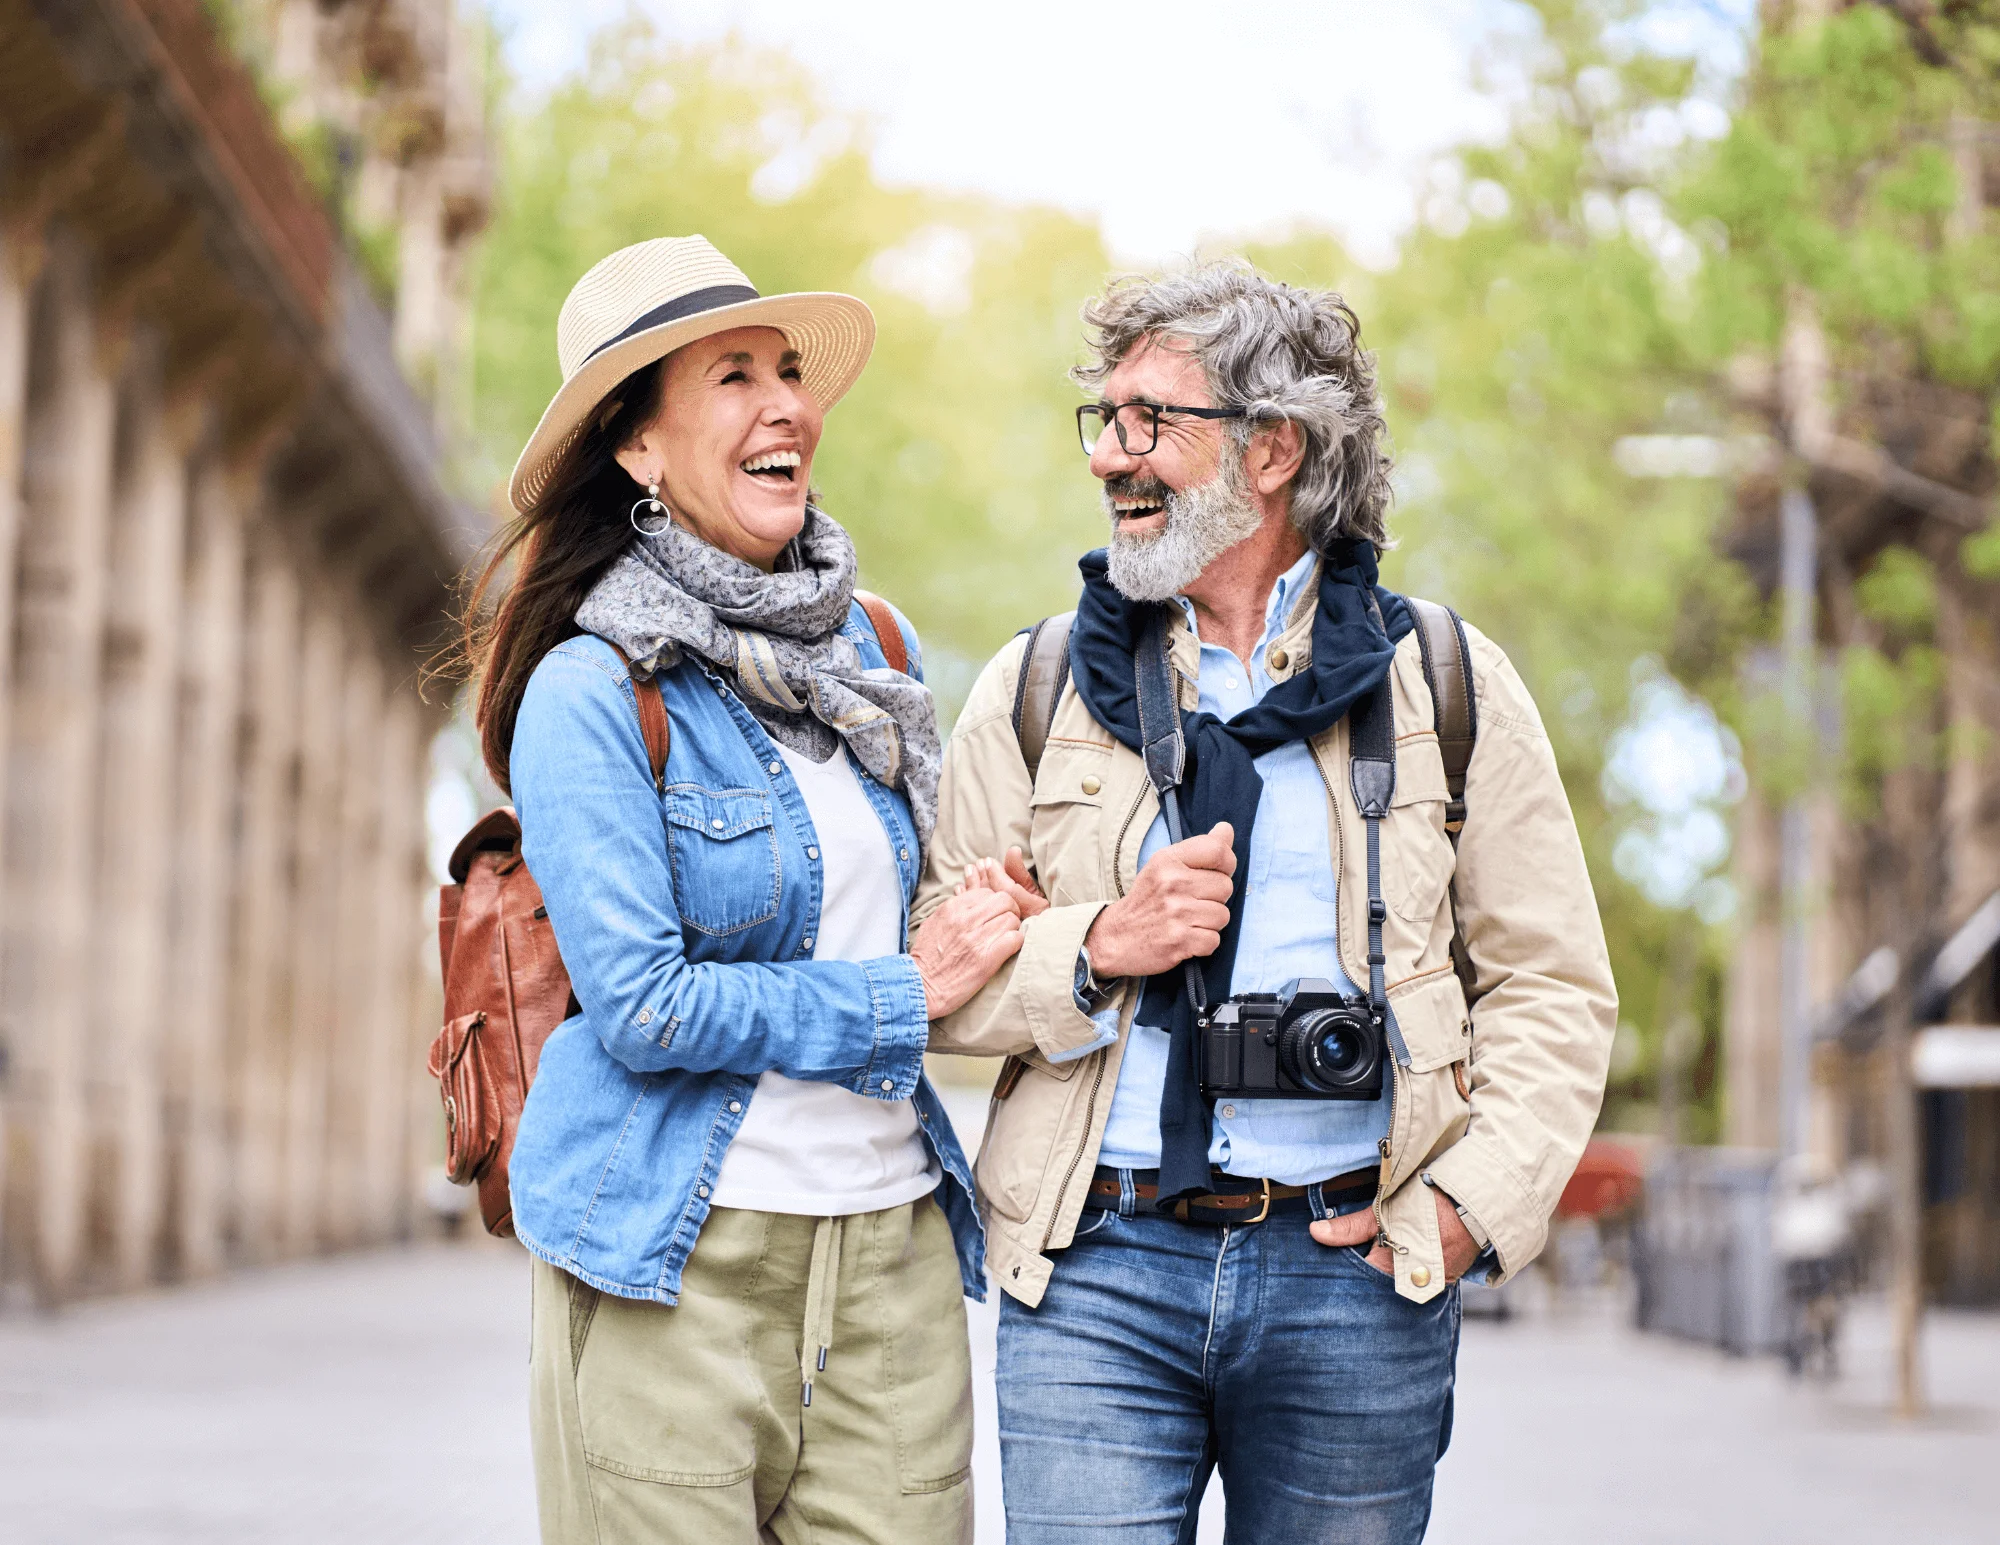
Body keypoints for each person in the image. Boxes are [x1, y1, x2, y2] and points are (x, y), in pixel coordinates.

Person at [919, 261, 1618, 1543]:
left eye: (1150, 420)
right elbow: (933, 981)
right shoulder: (1035, 687)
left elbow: (1552, 984)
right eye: (1103, 420)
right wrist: (1097, 945)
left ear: (1273, 449)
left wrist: (1467, 1211)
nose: (1109, 456)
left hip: (1356, 1272)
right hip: (1092, 1271)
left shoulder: (1442, 681)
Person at [463, 235, 1019, 1545]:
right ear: (637, 447)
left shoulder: (875, 650)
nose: (786, 406)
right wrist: (901, 992)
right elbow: (645, 1004)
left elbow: (927, 906)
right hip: (671, 1265)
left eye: (788, 372)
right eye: (732, 377)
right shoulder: (591, 690)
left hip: (891, 1264)